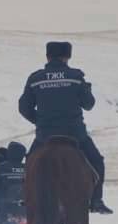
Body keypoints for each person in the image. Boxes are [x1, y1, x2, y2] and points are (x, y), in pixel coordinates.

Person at [18, 41, 112, 214]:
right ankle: (97, 200)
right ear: (68, 56)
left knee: (30, 163)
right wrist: (87, 89)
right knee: (97, 161)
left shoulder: (35, 79)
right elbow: (89, 104)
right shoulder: (75, 76)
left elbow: (24, 108)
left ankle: (27, 196)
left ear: (47, 56)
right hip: (75, 135)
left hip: (45, 136)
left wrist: (40, 122)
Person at [0, 141, 27, 217]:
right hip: (26, 208)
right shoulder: (29, 168)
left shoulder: (0, 168)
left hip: (4, 209)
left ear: (10, 153)